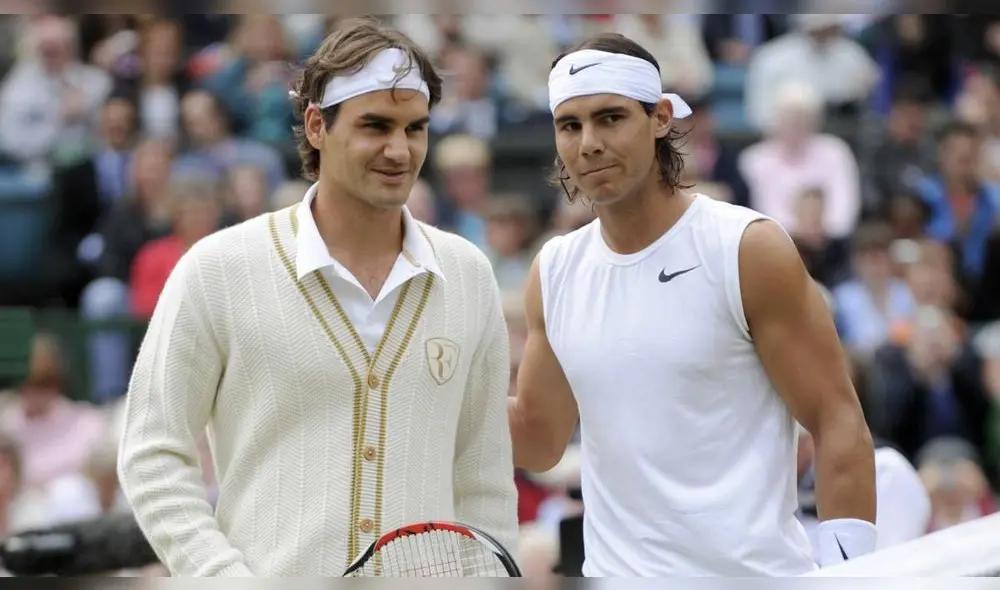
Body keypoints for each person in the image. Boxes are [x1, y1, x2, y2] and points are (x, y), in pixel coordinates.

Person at [117, 17, 519, 577]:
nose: (400, 151)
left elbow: (485, 481)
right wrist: (223, 579)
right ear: (315, 126)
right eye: (375, 125)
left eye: (415, 128)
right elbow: (152, 455)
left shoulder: (469, 274)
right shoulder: (218, 269)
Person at [507, 33, 877, 576]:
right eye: (570, 125)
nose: (588, 143)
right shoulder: (555, 269)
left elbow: (837, 419)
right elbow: (539, 441)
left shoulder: (747, 247)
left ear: (659, 118)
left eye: (610, 118)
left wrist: (853, 576)